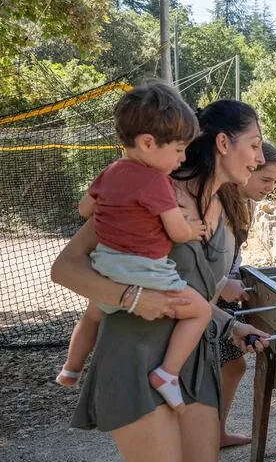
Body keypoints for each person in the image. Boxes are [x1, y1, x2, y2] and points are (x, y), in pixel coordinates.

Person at [51, 95, 271, 462]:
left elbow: (194, 296)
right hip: (136, 356)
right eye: (256, 144)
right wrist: (131, 296)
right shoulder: (152, 188)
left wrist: (229, 326)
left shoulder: (225, 208)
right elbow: (66, 267)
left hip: (193, 362)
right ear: (224, 144)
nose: (261, 158)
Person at [55, 82, 211, 414]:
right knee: (200, 312)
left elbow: (86, 209)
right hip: (145, 271)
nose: (182, 158)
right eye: (179, 149)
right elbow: (177, 232)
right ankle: (167, 374)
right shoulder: (156, 181)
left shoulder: (110, 172)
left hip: (106, 266)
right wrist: (193, 228)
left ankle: (71, 368)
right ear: (148, 143)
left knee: (92, 315)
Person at [213, 140, 276, 448]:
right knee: (218, 367)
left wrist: (231, 277)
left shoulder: (245, 204)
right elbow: (193, 263)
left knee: (233, 365)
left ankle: (214, 433)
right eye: (265, 179)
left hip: (221, 294)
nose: (270, 187)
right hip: (203, 297)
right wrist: (221, 283)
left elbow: (233, 255)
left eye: (275, 182)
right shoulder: (215, 204)